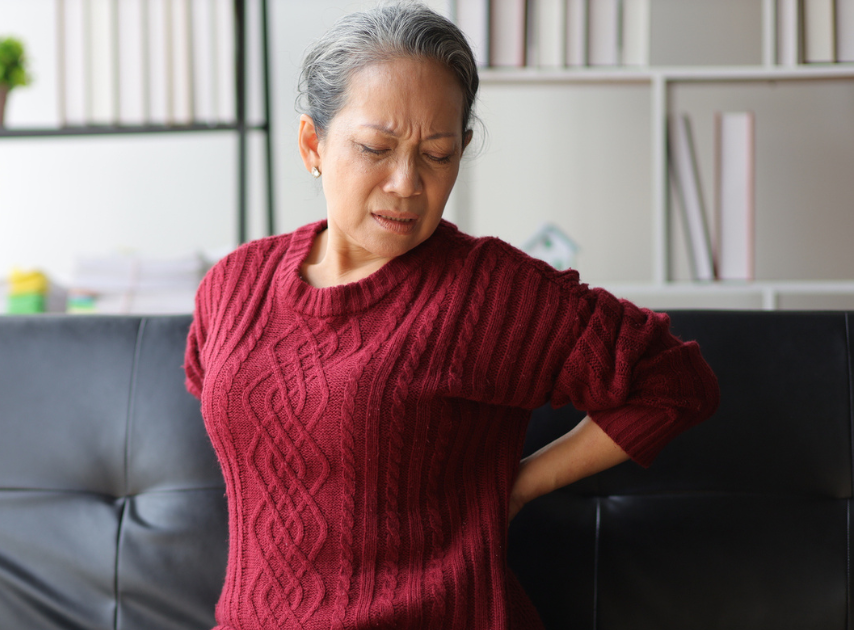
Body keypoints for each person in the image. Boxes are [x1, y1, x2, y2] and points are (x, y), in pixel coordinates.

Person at [183, 4, 719, 629]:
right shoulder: (234, 285)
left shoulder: (484, 290)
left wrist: (520, 484)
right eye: (376, 148)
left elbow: (676, 382)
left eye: (437, 155)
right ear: (313, 144)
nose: (407, 183)